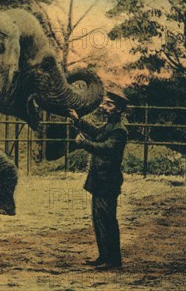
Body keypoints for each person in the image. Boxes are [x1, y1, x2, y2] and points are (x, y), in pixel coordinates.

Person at [68, 89, 129, 270]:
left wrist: (83, 143)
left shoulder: (119, 131)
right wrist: (78, 120)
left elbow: (104, 148)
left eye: (109, 104)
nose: (103, 107)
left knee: (108, 219)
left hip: (108, 182)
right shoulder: (110, 127)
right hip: (100, 181)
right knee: (99, 219)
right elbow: (96, 132)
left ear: (118, 109)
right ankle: (104, 256)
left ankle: (113, 260)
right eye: (104, 103)